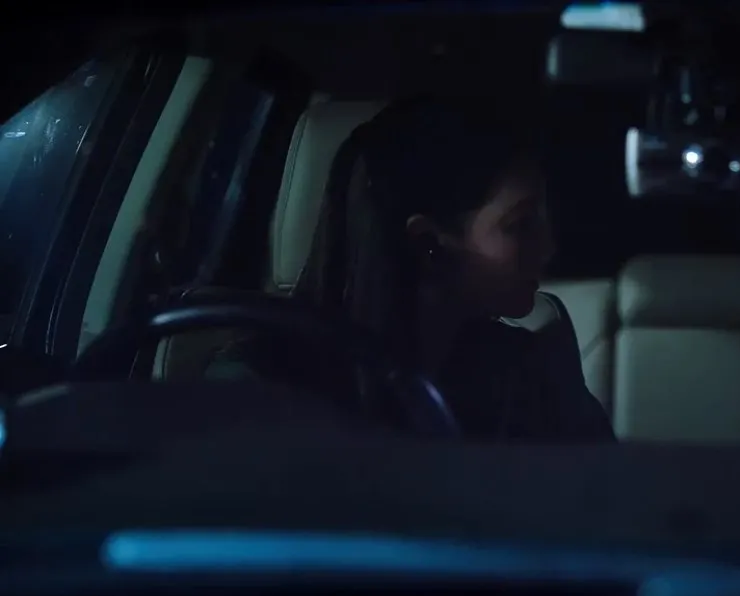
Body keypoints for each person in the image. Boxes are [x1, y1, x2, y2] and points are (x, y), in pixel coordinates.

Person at [206, 100, 615, 443]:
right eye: (521, 224)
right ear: (428, 245)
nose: (549, 247)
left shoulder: (525, 374)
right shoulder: (260, 386)